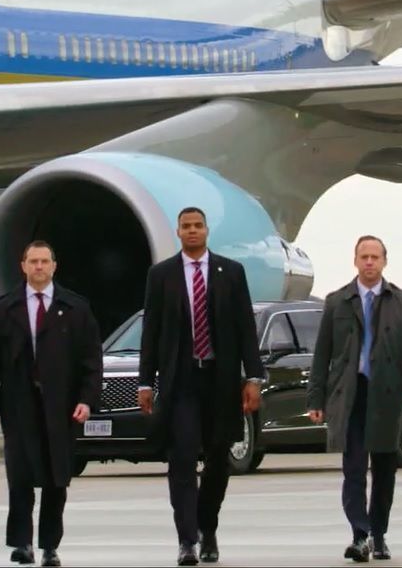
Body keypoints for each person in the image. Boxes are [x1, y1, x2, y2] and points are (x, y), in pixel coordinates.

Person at [137, 207, 266, 566]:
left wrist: (254, 378)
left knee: (218, 459)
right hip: (180, 381)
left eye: (197, 226)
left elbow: (245, 328)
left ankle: (208, 528)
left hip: (220, 379)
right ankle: (187, 540)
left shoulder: (231, 272)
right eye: (186, 226)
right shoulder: (161, 275)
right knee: (181, 459)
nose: (192, 231)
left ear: (207, 230)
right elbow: (151, 331)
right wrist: (145, 381)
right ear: (178, 232)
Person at [0, 241, 103, 567]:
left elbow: (91, 361)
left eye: (45, 261)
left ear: (54, 266)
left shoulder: (75, 308)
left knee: (55, 479)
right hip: (19, 404)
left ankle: (49, 546)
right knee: (19, 477)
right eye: (33, 261)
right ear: (23, 266)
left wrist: (87, 400)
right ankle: (22, 543)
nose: (39, 267)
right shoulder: (5, 309)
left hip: (61, 405)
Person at [306, 235, 402, 563]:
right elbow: (322, 354)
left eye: (375, 257)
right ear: (355, 260)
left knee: (385, 469)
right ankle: (359, 534)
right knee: (354, 468)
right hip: (351, 394)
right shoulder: (337, 302)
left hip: (387, 395)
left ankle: (378, 533)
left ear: (384, 261)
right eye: (364, 257)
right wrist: (316, 399)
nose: (370, 262)